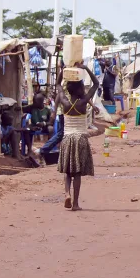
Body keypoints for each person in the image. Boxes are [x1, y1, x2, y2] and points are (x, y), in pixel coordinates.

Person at [56, 63, 99, 211]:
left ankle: (67, 193)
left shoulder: (65, 102)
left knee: (68, 171)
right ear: (81, 89)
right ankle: (75, 204)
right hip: (80, 139)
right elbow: (96, 84)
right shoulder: (83, 102)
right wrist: (86, 68)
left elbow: (57, 84)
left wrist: (63, 70)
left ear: (69, 89)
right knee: (77, 173)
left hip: (67, 139)